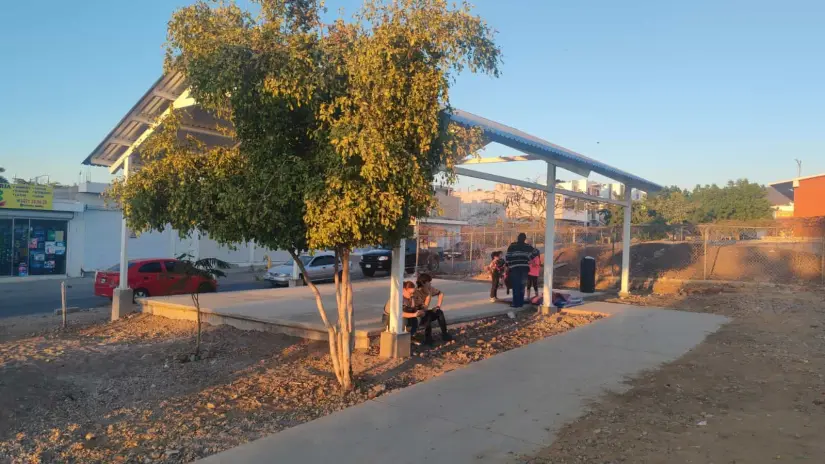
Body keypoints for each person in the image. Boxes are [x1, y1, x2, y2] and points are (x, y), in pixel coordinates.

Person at [413, 273, 453, 344]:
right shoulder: (416, 292)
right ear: (423, 283)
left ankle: (445, 334)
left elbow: (441, 294)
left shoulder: (430, 289)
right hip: (417, 316)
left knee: (439, 312)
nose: (430, 284)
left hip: (424, 311)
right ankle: (428, 339)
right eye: (429, 282)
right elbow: (423, 308)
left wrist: (437, 306)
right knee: (427, 316)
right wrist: (428, 296)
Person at [505, 232, 538, 308]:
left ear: (518, 238)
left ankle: (515, 303)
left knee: (516, 286)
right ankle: (520, 303)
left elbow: (508, 256)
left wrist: (508, 265)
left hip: (514, 268)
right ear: (524, 239)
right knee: (522, 286)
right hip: (524, 268)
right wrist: (529, 258)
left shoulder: (512, 245)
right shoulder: (527, 246)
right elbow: (536, 252)